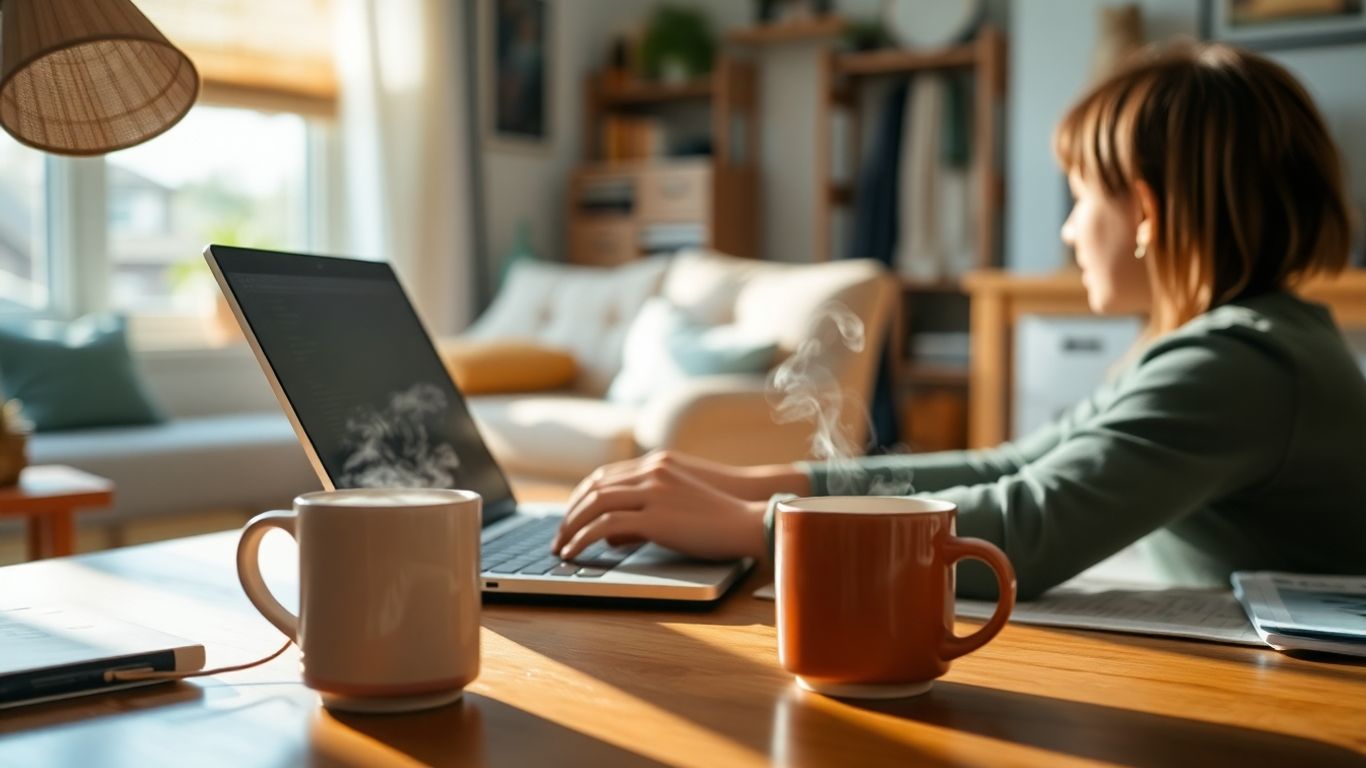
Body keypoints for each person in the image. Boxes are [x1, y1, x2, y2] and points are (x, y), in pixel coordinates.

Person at [550, 42, 1366, 600]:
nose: (1068, 229)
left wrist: (751, 527)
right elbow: (1013, 463)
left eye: (1081, 198)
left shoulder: (1238, 367)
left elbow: (1023, 528)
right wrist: (757, 481)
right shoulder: (1241, 344)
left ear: (1146, 211)